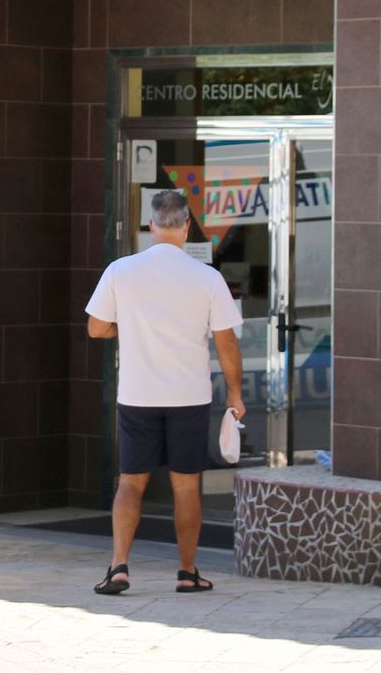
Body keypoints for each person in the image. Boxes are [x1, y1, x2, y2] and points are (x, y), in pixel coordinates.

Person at [85, 189, 245, 596]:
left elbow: (97, 328)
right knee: (186, 486)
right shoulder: (207, 278)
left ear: (151, 225)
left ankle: (119, 566)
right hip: (188, 397)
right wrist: (235, 394)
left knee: (130, 483)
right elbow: (227, 343)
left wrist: (132, 329)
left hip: (137, 395)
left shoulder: (121, 270)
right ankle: (187, 571)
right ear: (187, 227)